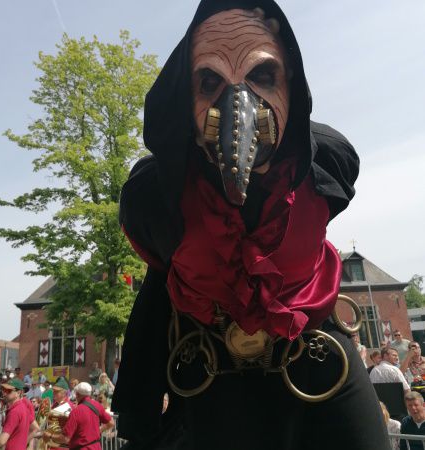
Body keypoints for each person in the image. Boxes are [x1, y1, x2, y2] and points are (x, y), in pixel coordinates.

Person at [111, 1, 391, 449]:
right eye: (210, 82)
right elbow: (157, 288)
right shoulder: (162, 198)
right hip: (213, 370)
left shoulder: (322, 166)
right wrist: (137, 405)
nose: (237, 102)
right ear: (186, 100)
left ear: (290, 86)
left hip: (319, 358)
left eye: (262, 75)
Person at [43, 382, 114, 449]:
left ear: (77, 394)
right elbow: (111, 423)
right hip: (96, 447)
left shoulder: (76, 411)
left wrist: (50, 436)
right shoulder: (97, 405)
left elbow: (65, 438)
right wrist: (99, 430)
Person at [0, 378, 31, 450]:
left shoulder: (15, 411)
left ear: (18, 393)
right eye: (3, 390)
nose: (4, 393)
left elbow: (1, 440)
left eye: (8, 391)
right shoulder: (24, 407)